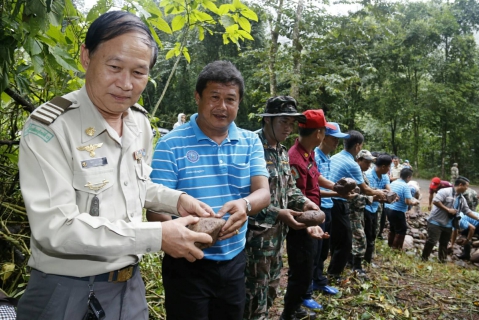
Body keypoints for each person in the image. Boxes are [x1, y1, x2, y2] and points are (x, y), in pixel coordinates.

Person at [16, 11, 216, 320]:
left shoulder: (138, 123)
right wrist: (157, 235)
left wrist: (177, 200)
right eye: (114, 67)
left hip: (129, 288)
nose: (125, 83)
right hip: (65, 291)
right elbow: (55, 229)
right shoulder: (51, 127)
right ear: (86, 56)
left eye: (138, 72)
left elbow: (133, 184)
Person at [150, 60, 270, 320]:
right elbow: (155, 209)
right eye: (214, 97)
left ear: (239, 103)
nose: (222, 106)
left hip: (234, 258)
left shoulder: (250, 141)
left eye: (230, 99)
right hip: (186, 261)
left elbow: (263, 192)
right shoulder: (171, 145)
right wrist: (184, 233)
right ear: (197, 97)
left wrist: (245, 205)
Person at [243, 96, 319, 320]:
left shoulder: (282, 152)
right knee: (253, 297)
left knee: (271, 290)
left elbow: (290, 189)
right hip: (255, 239)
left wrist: (305, 202)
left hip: (277, 239)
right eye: (283, 122)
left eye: (291, 123)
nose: (289, 128)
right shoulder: (251, 147)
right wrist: (279, 213)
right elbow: (242, 196)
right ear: (267, 120)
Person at [286, 109, 335, 316]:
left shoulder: (309, 152)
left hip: (315, 215)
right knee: (301, 267)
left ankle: (297, 304)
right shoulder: (294, 158)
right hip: (303, 221)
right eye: (324, 131)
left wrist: (336, 188)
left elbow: (316, 178)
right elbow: (297, 198)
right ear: (318, 134)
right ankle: (290, 310)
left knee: (311, 261)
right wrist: (311, 225)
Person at [327, 131, 386, 282]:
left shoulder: (334, 157)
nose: (368, 165)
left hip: (328, 200)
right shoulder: (352, 164)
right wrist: (380, 194)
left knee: (336, 239)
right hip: (339, 202)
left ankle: (332, 270)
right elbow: (366, 190)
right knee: (348, 240)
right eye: (367, 162)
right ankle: (335, 274)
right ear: (358, 146)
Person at [310, 123, 350, 295]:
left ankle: (319, 280)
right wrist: (338, 193)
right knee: (315, 249)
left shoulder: (327, 158)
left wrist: (340, 191)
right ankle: (310, 283)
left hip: (328, 207)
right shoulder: (315, 157)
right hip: (317, 207)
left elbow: (328, 186)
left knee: (323, 249)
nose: (337, 143)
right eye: (334, 139)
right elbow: (314, 190)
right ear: (323, 137)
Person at [421, 177, 475, 263]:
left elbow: (467, 211)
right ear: (461, 185)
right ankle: (424, 259)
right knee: (432, 241)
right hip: (436, 221)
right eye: (466, 186)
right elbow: (436, 201)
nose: (467, 188)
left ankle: (442, 260)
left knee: (444, 242)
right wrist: (448, 209)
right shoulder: (445, 191)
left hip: (448, 224)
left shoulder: (462, 198)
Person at [348, 150, 375, 280]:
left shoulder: (362, 174)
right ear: (358, 160)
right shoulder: (353, 173)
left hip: (359, 210)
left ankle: (351, 262)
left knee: (355, 237)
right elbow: (356, 194)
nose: (368, 165)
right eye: (366, 162)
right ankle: (356, 267)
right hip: (352, 210)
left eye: (370, 162)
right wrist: (375, 196)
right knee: (359, 238)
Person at [363, 154, 392, 264]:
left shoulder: (384, 175)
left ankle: (368, 259)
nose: (389, 169)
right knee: (365, 234)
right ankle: (360, 259)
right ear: (383, 167)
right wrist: (381, 196)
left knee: (374, 233)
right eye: (389, 167)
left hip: (375, 208)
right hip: (366, 207)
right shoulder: (369, 175)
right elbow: (368, 194)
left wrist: (392, 195)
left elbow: (388, 189)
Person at [384, 168, 419, 250]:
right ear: (408, 177)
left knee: (392, 227)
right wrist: (414, 203)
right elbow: (407, 201)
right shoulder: (405, 186)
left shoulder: (393, 183)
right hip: (397, 210)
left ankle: (390, 245)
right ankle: (396, 249)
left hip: (388, 208)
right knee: (401, 230)